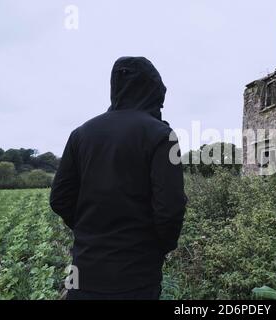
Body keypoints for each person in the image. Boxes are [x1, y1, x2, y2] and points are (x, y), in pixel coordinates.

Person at [50, 57, 187, 300]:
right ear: (154, 92)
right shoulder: (162, 135)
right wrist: (155, 248)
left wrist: (89, 232)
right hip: (136, 279)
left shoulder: (80, 134)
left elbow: (60, 198)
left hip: (84, 275)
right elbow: (171, 209)